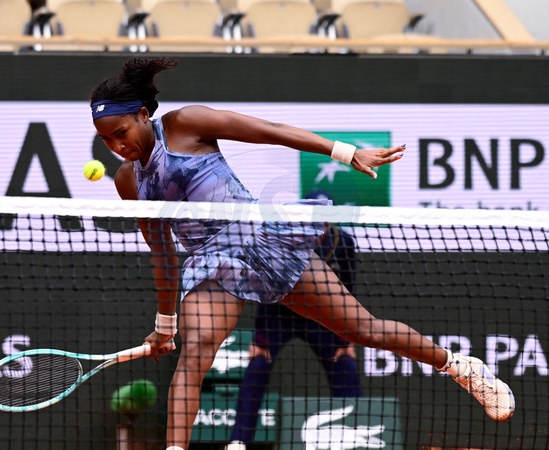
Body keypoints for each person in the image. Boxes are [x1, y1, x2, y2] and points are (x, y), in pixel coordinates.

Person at [89, 57, 515, 450]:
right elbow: (162, 253)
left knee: (362, 329)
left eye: (120, 133)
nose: (116, 146)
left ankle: (460, 367)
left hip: (264, 239)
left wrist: (345, 152)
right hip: (212, 263)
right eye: (106, 140)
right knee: (197, 347)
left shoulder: (186, 124)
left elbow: (269, 130)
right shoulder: (128, 181)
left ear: (142, 114)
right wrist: (165, 325)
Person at [227, 208, 363, 449]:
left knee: (345, 363)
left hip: (322, 316)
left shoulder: (344, 243)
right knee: (258, 364)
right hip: (281, 314)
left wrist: (346, 339)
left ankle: (357, 437)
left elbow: (348, 289)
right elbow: (266, 284)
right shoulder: (283, 240)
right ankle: (239, 441)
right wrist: (260, 340)